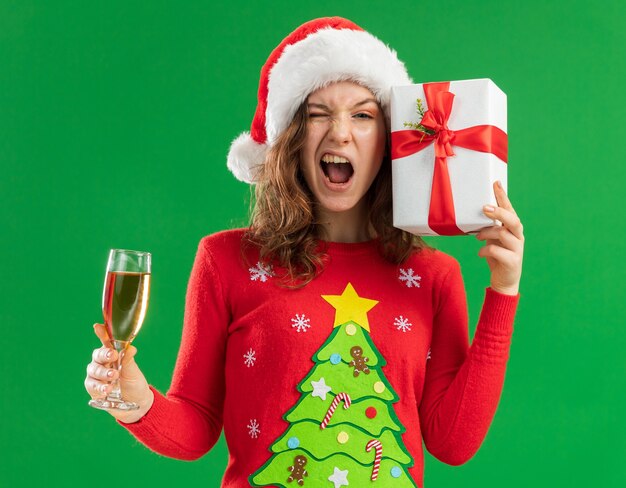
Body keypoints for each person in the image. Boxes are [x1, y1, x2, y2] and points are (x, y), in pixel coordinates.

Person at [85, 17, 523, 487]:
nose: (339, 133)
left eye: (362, 114)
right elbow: (195, 429)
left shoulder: (434, 276)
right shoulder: (226, 260)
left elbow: (452, 444)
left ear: (388, 141)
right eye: (318, 113)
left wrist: (503, 291)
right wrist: (137, 402)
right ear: (290, 138)